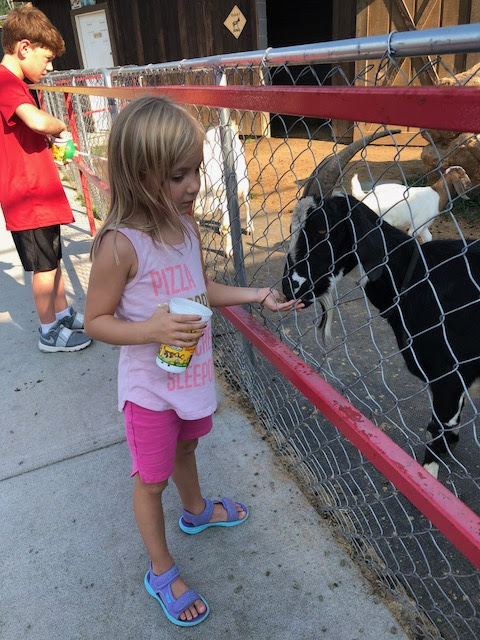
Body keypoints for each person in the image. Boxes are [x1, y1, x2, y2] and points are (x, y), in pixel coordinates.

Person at [84, 95, 302, 627]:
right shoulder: (119, 246)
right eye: (178, 175)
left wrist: (256, 296)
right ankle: (161, 570)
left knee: (189, 446)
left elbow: (200, 289)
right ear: (139, 174)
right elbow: (95, 321)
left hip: (190, 378)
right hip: (150, 391)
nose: (194, 186)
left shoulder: (185, 229)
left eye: (197, 171)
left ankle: (197, 511)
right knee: (150, 480)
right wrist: (150, 330)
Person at [0, 6, 91, 352]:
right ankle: (49, 331)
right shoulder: (5, 82)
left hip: (38, 192)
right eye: (47, 58)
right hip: (28, 196)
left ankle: (62, 314)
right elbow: (37, 121)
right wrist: (60, 126)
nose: (50, 67)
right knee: (44, 268)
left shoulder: (15, 84)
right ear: (24, 48)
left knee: (53, 261)